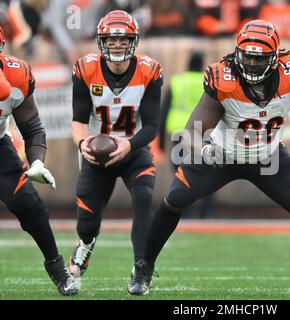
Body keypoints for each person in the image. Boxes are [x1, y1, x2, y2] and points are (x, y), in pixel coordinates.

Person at [131, 20, 290, 295]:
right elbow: (192, 132)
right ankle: (143, 269)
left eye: (260, 58)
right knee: (174, 200)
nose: (253, 63)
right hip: (222, 155)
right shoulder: (224, 79)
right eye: (248, 56)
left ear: (275, 56)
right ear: (237, 53)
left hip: (266, 157)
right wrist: (207, 151)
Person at [69, 10, 162, 295]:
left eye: (124, 40)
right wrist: (83, 144)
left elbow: (153, 125)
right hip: (98, 153)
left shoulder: (149, 70)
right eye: (112, 40)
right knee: (86, 223)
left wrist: (129, 145)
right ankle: (86, 244)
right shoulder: (86, 69)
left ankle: (141, 270)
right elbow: (78, 122)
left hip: (134, 148)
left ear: (134, 42)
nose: (118, 45)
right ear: (102, 42)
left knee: (145, 198)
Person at [0, 26, 78, 296]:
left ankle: (57, 269)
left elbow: (32, 128)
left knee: (29, 204)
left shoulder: (15, 76)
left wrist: (37, 163)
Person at [159, 51, 215, 218]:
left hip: (180, 131)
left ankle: (185, 209)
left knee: (182, 171)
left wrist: (161, 142)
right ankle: (207, 211)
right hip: (204, 131)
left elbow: (164, 112)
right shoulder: (208, 82)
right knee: (207, 171)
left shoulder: (177, 82)